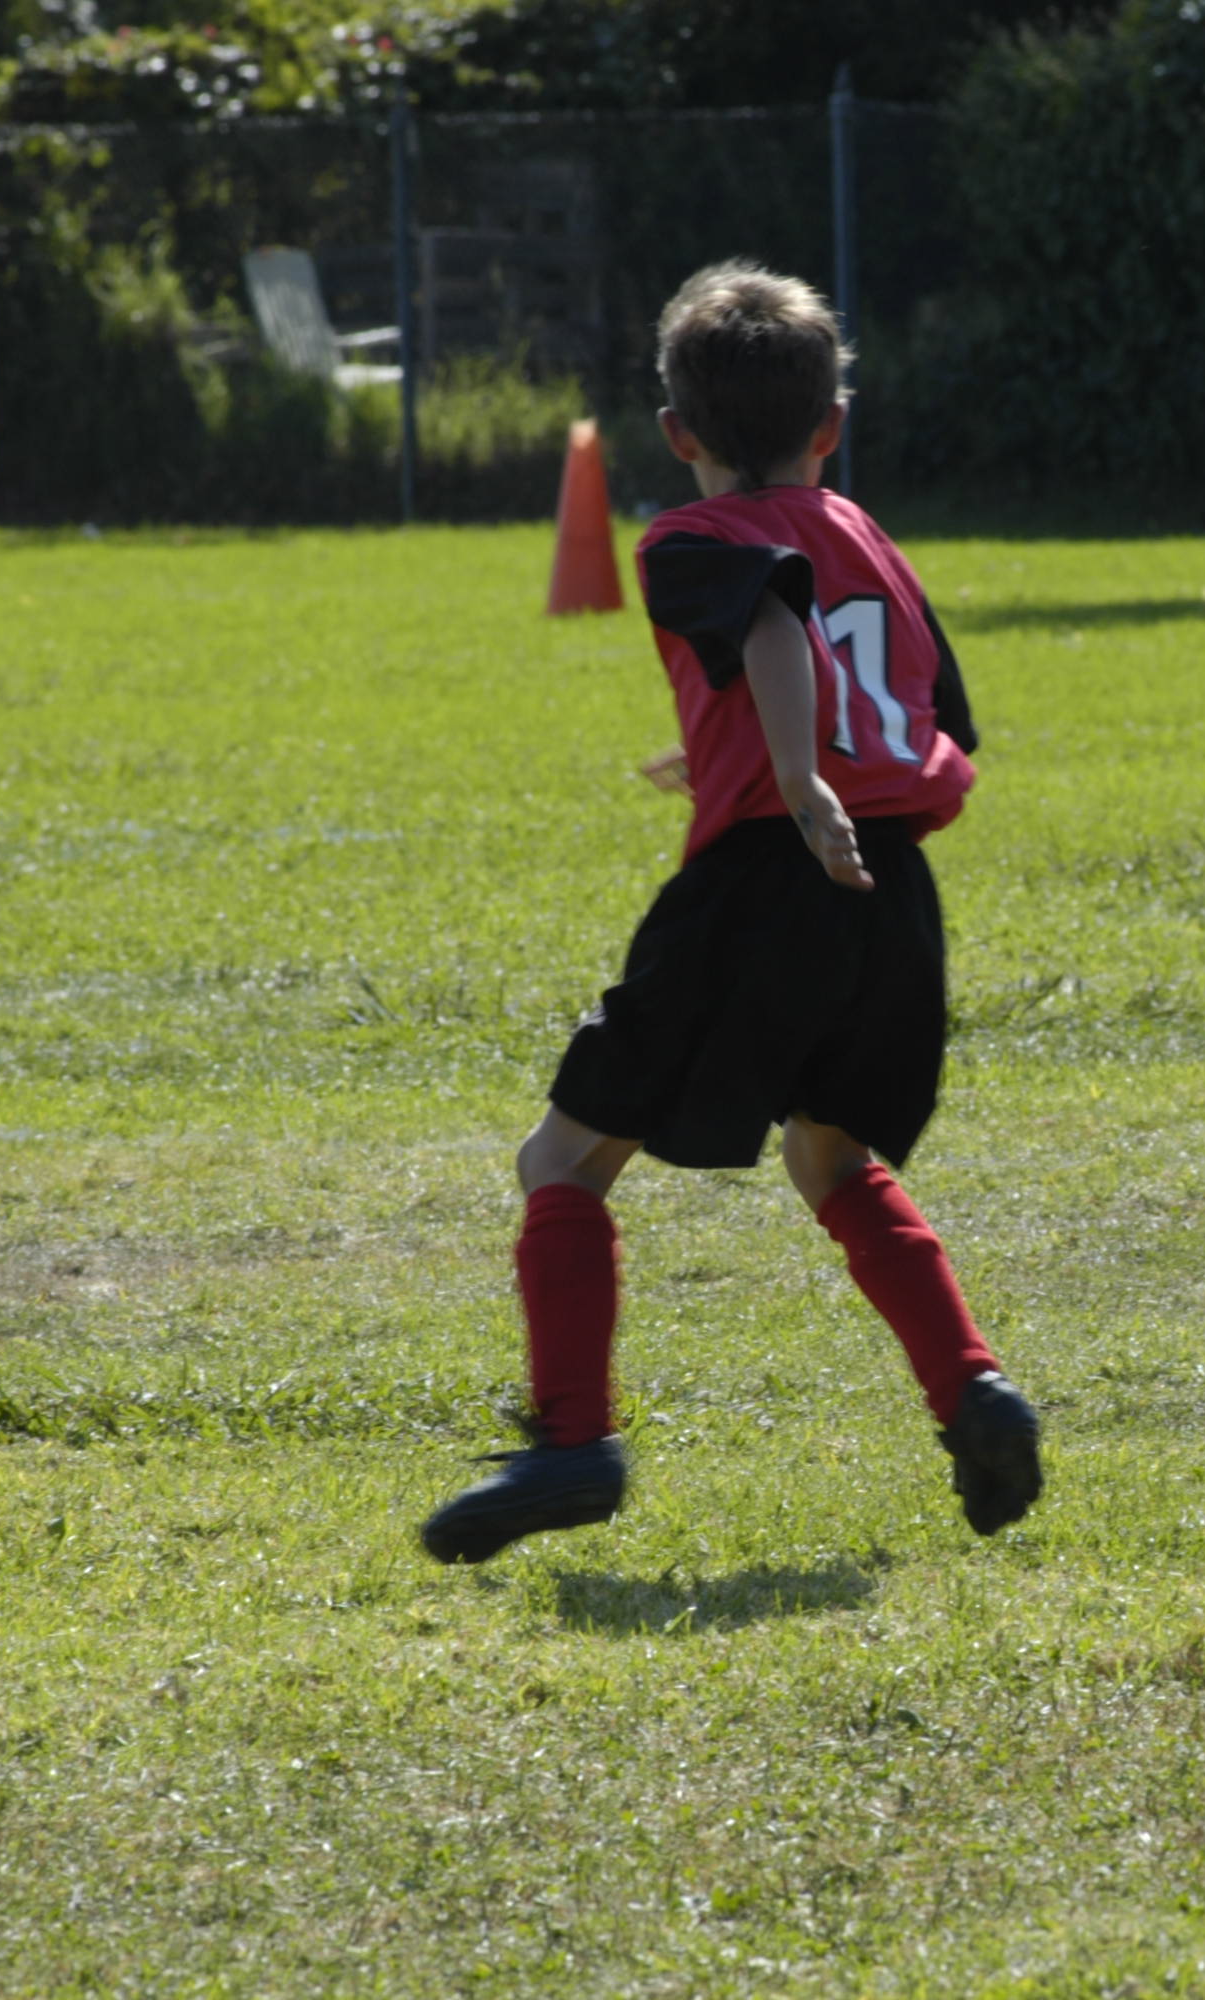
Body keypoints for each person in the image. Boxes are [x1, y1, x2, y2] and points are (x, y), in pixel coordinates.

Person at [421, 262, 1041, 1561]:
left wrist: (796, 783)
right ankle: (974, 1389)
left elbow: (770, 621)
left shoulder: (689, 539)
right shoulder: (876, 540)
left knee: (561, 1161)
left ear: (675, 432)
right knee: (832, 1158)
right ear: (833, 424)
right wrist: (752, 753)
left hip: (765, 881)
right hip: (892, 894)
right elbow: (931, 719)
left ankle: (573, 1443)